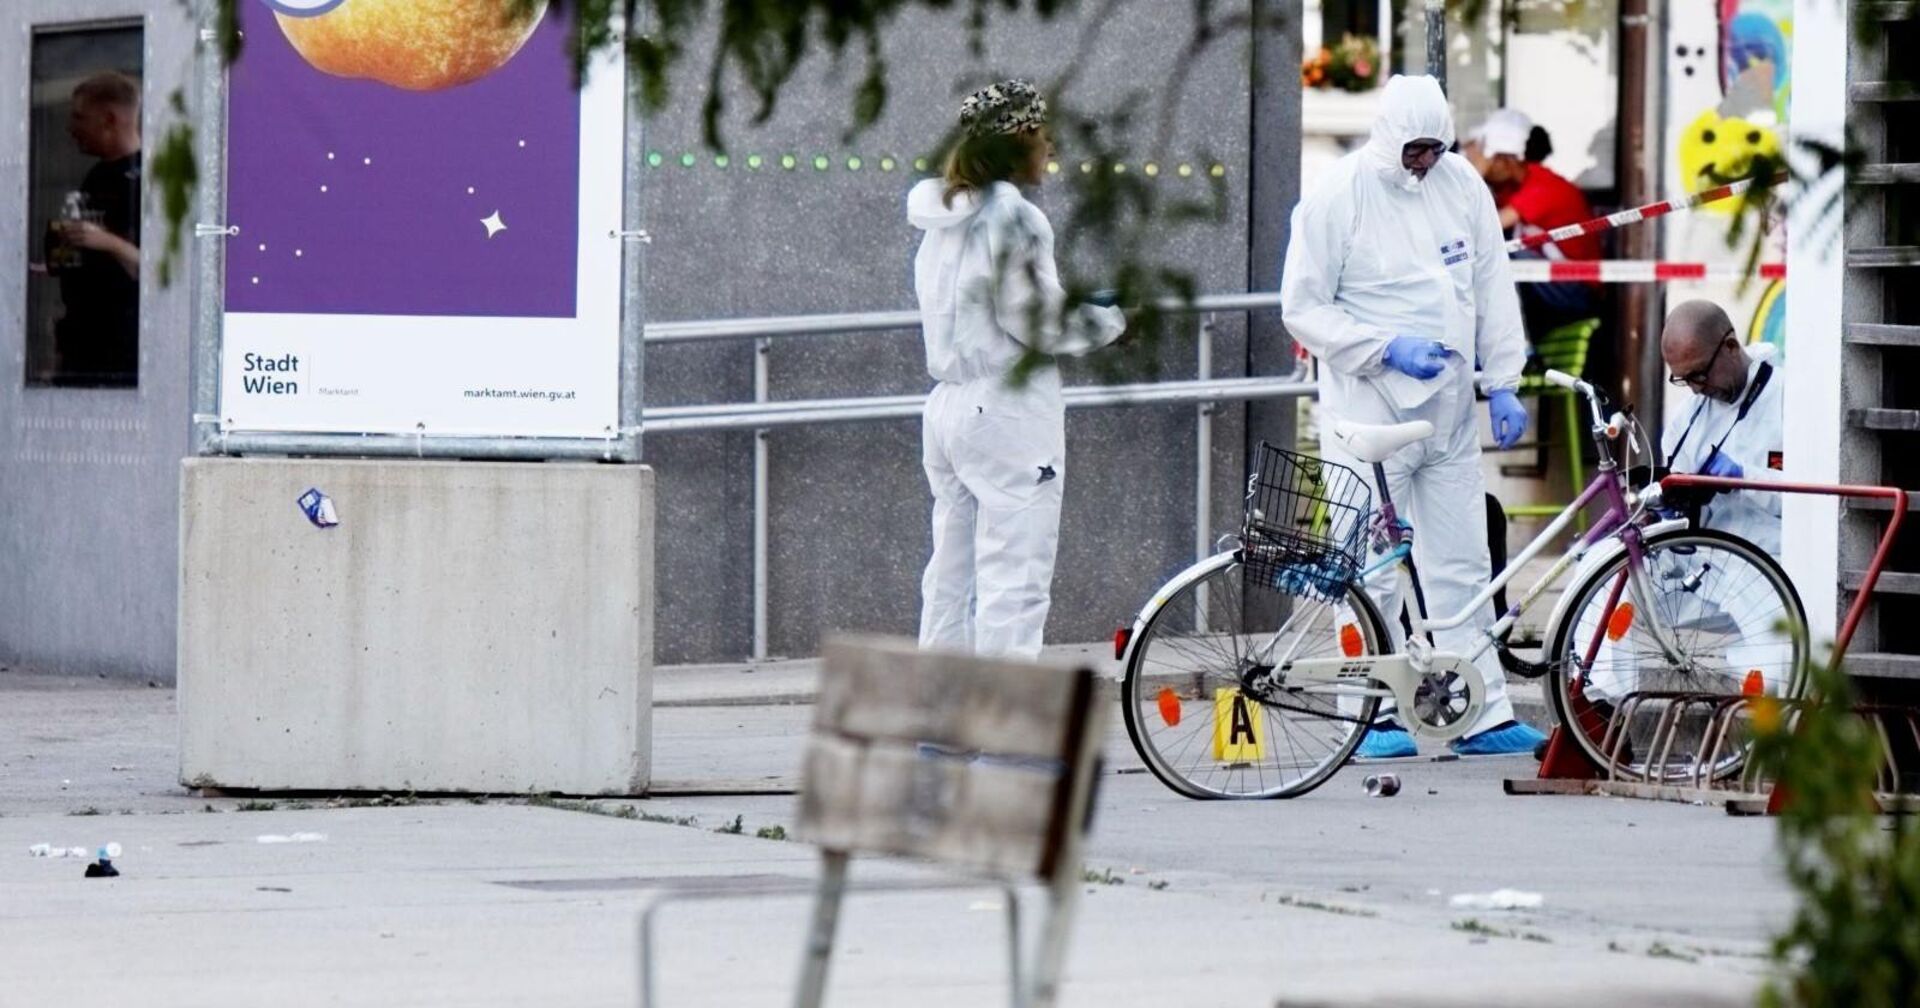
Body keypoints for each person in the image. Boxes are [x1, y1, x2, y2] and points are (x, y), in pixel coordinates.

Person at [1281, 74, 1546, 758]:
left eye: (1436, 147)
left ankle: (1476, 709)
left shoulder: (1461, 185)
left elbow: (1490, 280)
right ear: (1392, 138)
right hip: (1371, 417)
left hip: (1450, 417)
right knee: (1369, 570)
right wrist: (1384, 350)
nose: (1426, 161)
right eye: (1417, 149)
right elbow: (1303, 307)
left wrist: (1505, 379)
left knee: (1463, 559)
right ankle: (1371, 714)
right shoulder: (1339, 196)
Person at [908, 79, 1125, 660]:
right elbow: (1035, 322)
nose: (1051, 147)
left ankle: (936, 724)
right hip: (1006, 412)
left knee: (949, 578)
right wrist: (1108, 321)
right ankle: (1002, 739)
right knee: (1015, 581)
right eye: (1043, 134)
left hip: (949, 406)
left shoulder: (943, 217)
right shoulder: (1014, 217)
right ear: (1018, 141)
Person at [1659, 300, 1783, 554]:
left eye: (1699, 374)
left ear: (1731, 346)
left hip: (1772, 564)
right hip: (1704, 562)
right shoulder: (1687, 417)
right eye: (1684, 379)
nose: (1695, 388)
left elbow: (1815, 505)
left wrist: (1745, 478)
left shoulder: (1789, 400)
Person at [1470, 108, 1601, 345]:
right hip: (1552, 288)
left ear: (1507, 160)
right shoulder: (1512, 188)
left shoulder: (1544, 185)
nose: (1487, 167)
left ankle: (1521, 349)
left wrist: (1474, 175)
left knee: (1503, 256)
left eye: (1490, 160)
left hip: (1578, 290)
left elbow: (1486, 229)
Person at [46, 71, 142, 385]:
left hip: (121, 353)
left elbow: (163, 275)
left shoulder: (148, 180)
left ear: (110, 119)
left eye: (79, 117)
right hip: (81, 345)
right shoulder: (97, 175)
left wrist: (106, 243)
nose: (71, 129)